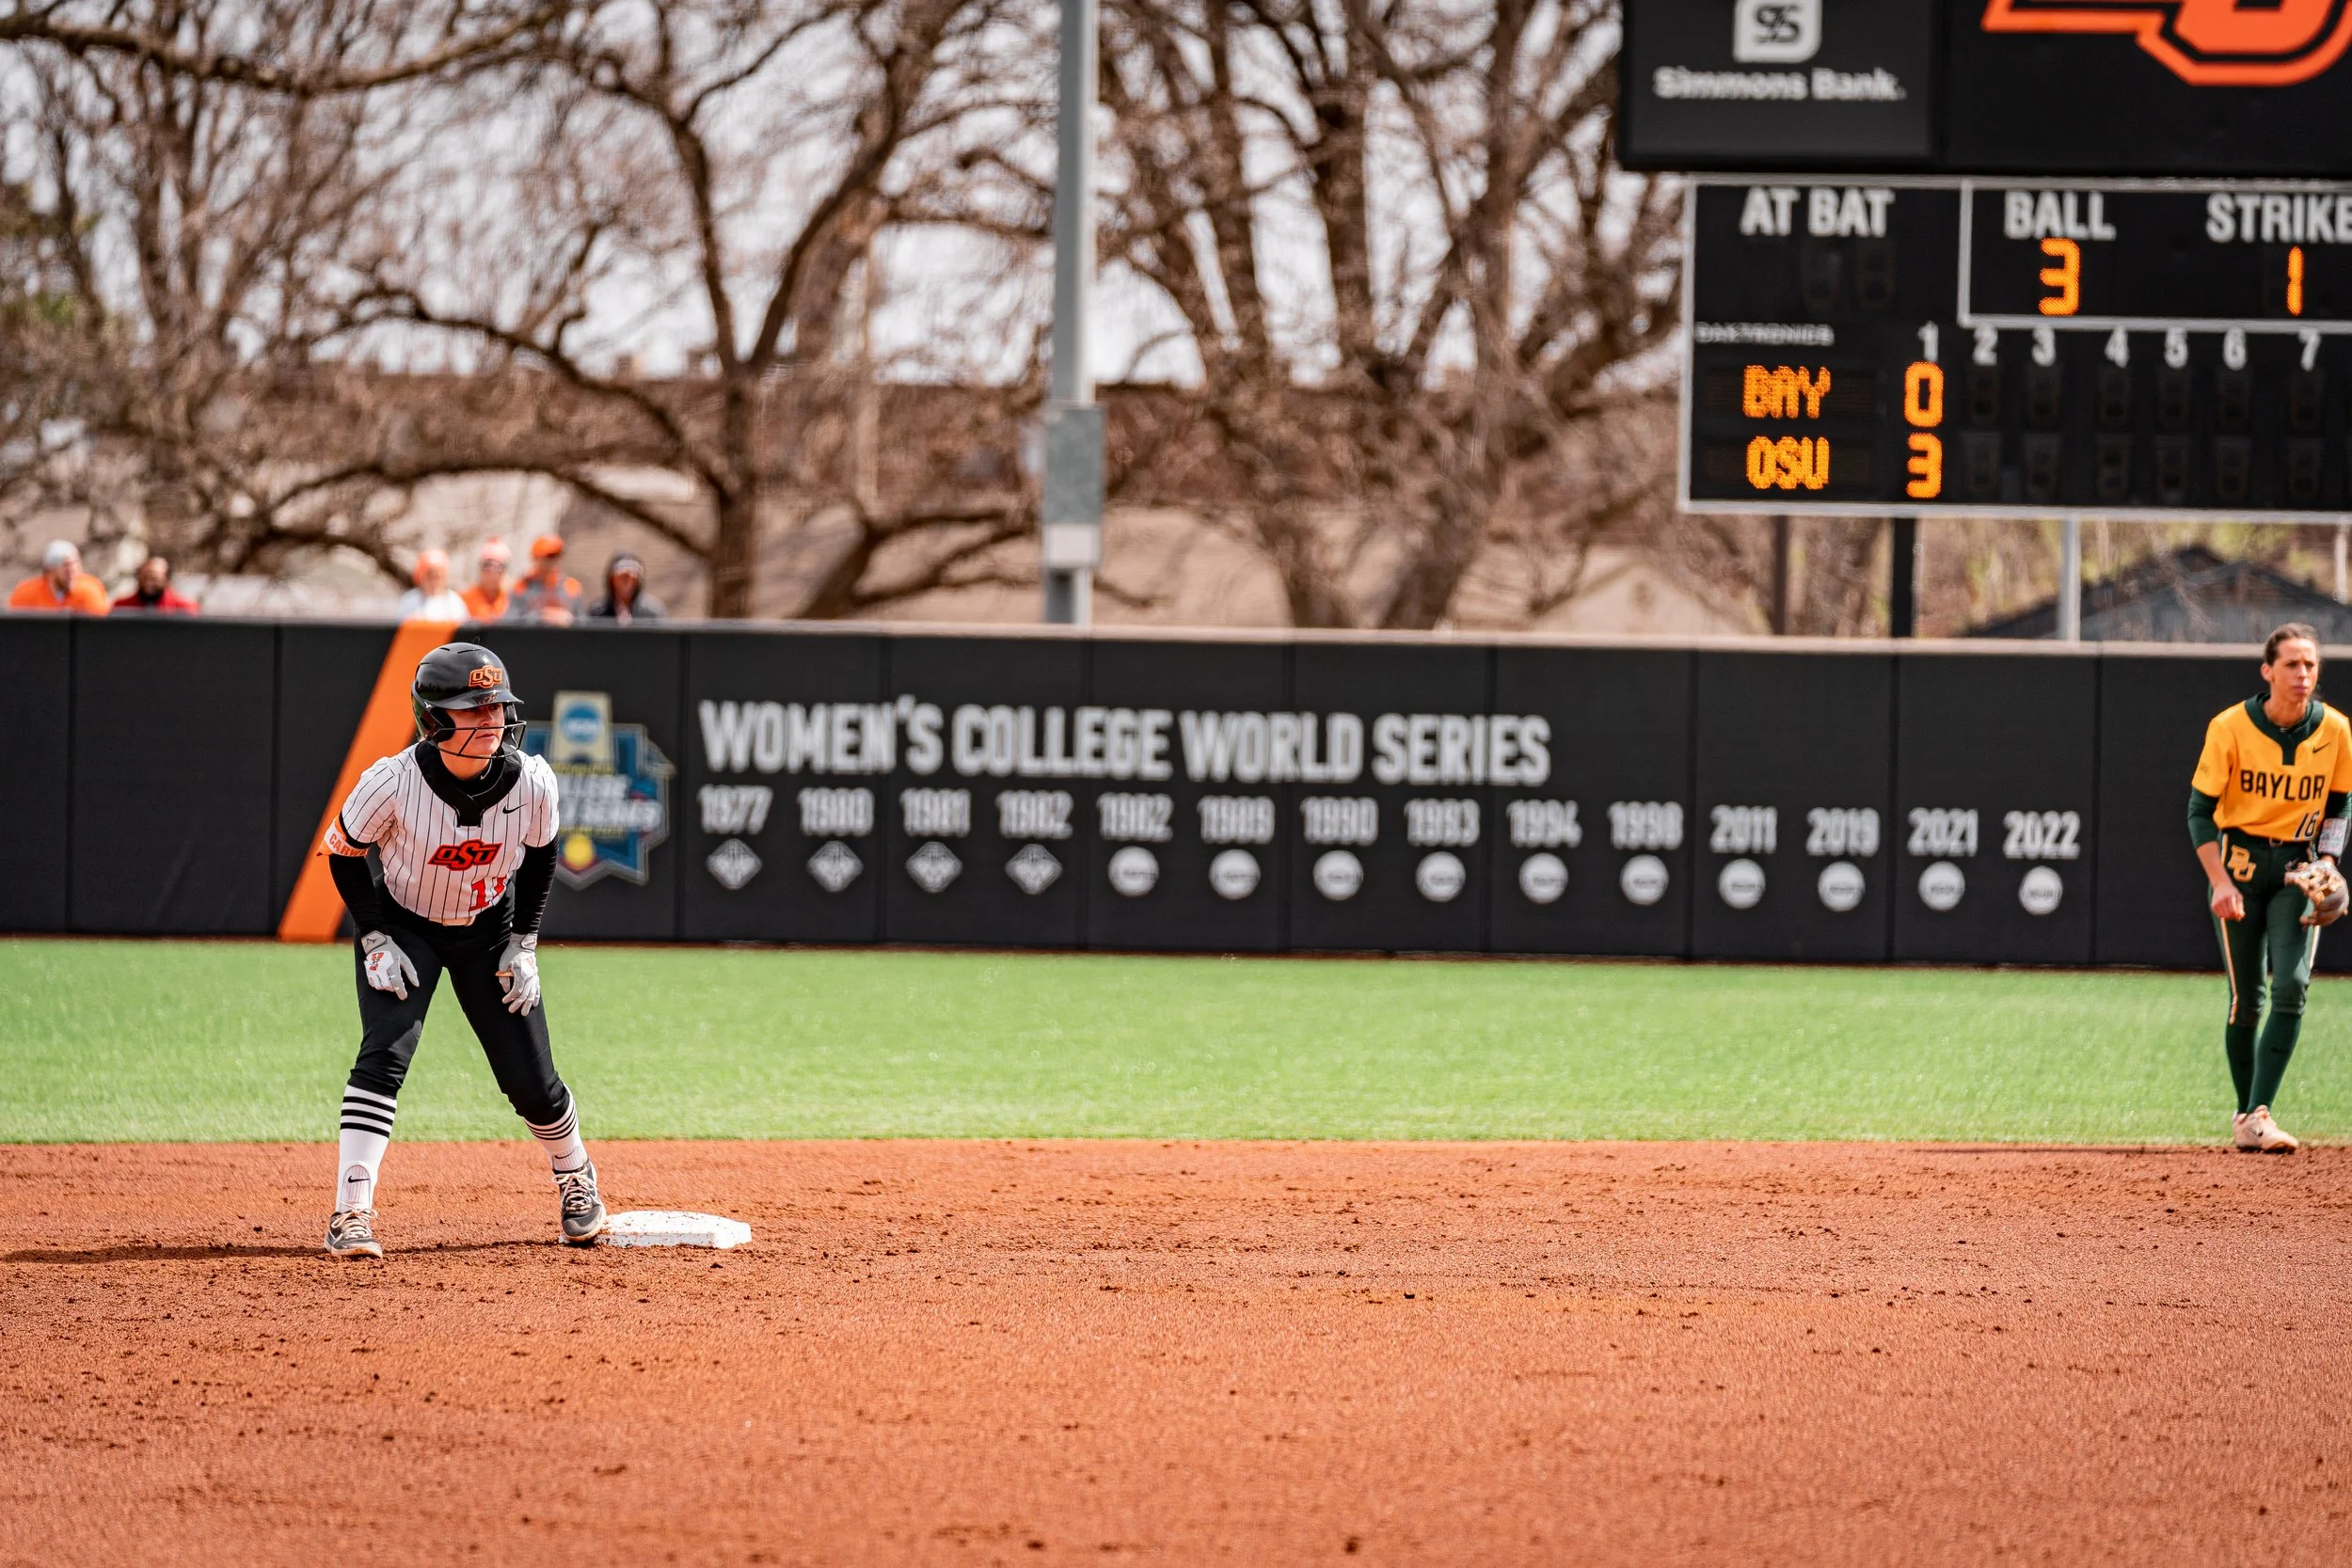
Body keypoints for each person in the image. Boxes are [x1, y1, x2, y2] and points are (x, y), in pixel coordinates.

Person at [319, 641, 606, 1258]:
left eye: (498, 707)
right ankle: (352, 1209)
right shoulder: (392, 781)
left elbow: (541, 855)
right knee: (385, 1052)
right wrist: (372, 935)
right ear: (434, 720)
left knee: (530, 1081)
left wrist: (525, 943)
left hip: (489, 929)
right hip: (404, 924)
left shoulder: (531, 781)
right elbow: (343, 851)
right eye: (474, 710)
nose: (493, 720)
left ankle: (575, 1173)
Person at [2187, 622, 2352, 1154]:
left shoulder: (2337, 731)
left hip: (2297, 871)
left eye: (2310, 664)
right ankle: (2246, 1114)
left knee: (2291, 988)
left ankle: (2259, 1114)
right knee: (2249, 1000)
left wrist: (2328, 860)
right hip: (2239, 866)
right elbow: (2199, 811)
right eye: (2291, 664)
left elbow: (2340, 804)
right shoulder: (2231, 727)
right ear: (2268, 671)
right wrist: (2218, 882)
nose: (2303, 673)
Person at [8, 540, 109, 614]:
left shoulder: (89, 590)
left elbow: (99, 629)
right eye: (66, 565)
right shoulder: (26, 593)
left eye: (75, 564)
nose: (72, 571)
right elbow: (15, 629)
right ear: (50, 569)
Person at [505, 534, 582, 626]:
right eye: (550, 556)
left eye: (558, 555)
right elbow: (509, 621)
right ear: (535, 558)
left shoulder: (572, 587)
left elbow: (584, 623)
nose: (554, 560)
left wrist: (571, 620)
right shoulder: (521, 587)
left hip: (562, 638)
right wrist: (541, 616)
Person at [584, 552, 666, 623]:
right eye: (624, 578)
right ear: (612, 579)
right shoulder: (598, 611)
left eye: (634, 579)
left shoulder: (652, 611)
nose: (628, 583)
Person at [396, 548, 469, 621]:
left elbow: (462, 628)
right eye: (430, 574)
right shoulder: (410, 600)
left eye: (438, 575)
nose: (434, 579)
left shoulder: (454, 601)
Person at [111, 554, 199, 614]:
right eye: (144, 578)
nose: (148, 583)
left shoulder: (184, 608)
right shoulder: (122, 607)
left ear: (166, 579)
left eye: (154, 578)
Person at [459, 537, 512, 622]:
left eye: (499, 567)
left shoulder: (511, 600)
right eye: (487, 565)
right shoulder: (463, 600)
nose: (492, 572)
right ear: (480, 568)